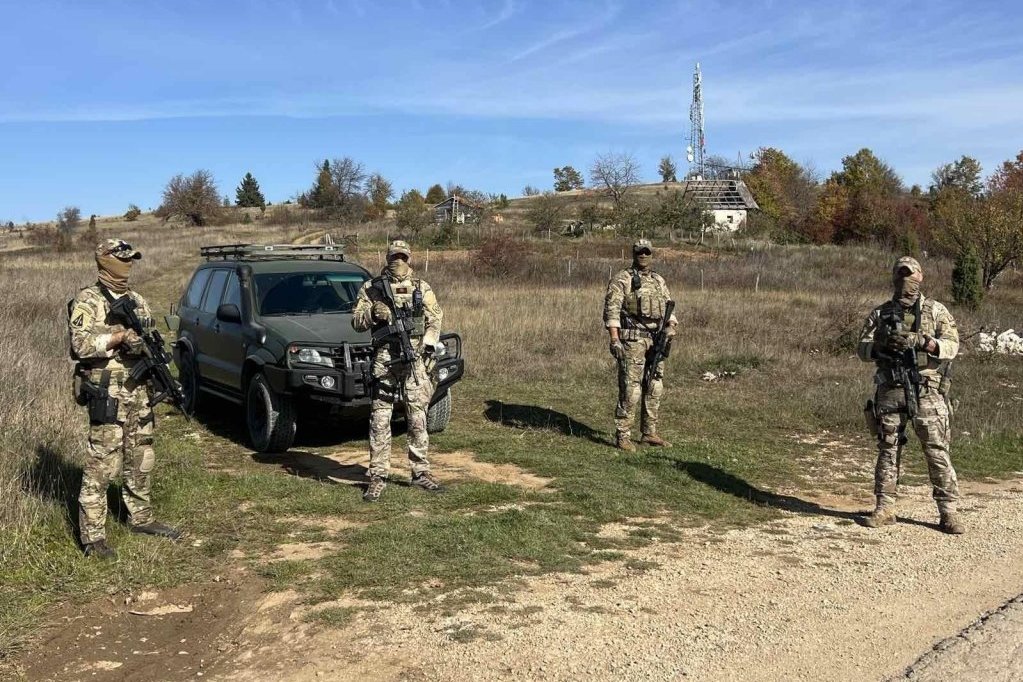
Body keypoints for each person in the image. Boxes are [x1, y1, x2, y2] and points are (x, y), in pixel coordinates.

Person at [68, 239, 181, 559]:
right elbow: (80, 346)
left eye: (131, 259)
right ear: (104, 261)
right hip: (107, 393)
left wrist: (146, 351)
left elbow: (151, 339)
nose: (128, 264)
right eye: (122, 259)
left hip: (138, 391)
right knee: (103, 463)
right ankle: (93, 537)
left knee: (141, 456)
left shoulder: (138, 300)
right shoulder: (88, 301)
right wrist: (118, 337)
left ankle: (140, 518)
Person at [857, 256, 963, 534]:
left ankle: (948, 511)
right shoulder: (881, 313)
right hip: (891, 391)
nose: (906, 281)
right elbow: (862, 348)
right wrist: (880, 347)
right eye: (900, 275)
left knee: (937, 451)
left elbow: (952, 346)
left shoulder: (936, 311)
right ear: (893, 278)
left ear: (921, 277)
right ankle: (885, 507)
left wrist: (924, 342)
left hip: (927, 392)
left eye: (911, 275)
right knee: (888, 450)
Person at [352, 240, 444, 502]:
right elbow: (356, 321)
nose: (398, 262)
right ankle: (378, 477)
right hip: (384, 359)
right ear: (387, 257)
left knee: (417, 416)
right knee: (380, 418)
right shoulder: (372, 288)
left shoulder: (421, 287)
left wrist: (428, 342)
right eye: (394, 257)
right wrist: (372, 312)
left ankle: (420, 472)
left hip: (414, 357)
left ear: (410, 258)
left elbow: (435, 317)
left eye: (403, 257)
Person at [603, 239, 678, 452]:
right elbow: (612, 309)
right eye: (639, 252)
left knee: (655, 385)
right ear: (634, 254)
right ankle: (623, 435)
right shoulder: (623, 278)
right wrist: (614, 339)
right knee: (631, 388)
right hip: (633, 339)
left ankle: (649, 432)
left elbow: (668, 307)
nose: (643, 255)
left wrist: (671, 326)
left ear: (652, 254)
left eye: (647, 252)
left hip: (657, 340)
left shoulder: (658, 280)